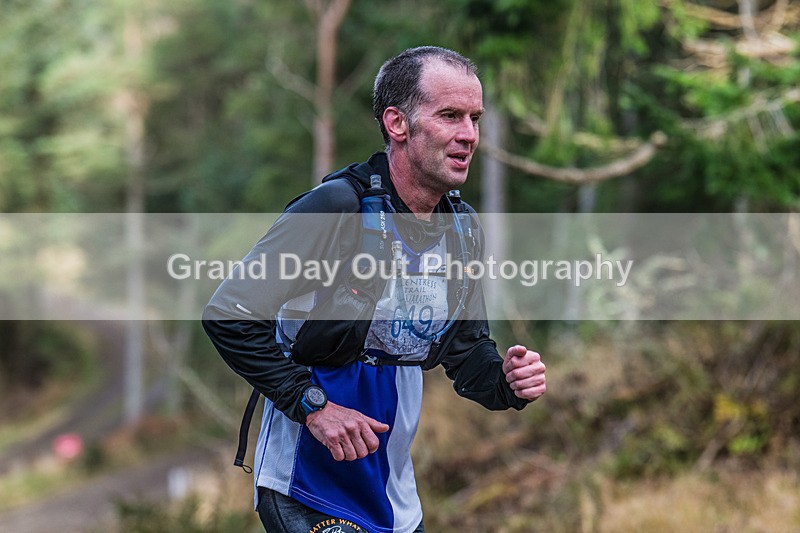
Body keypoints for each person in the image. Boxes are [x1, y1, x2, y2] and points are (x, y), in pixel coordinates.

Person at [202, 46, 546, 533]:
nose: (468, 135)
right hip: (306, 483)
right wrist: (311, 405)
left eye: (474, 118)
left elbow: (467, 355)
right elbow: (228, 314)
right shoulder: (335, 208)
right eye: (449, 116)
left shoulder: (463, 229)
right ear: (397, 123)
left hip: (392, 494)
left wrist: (507, 383)